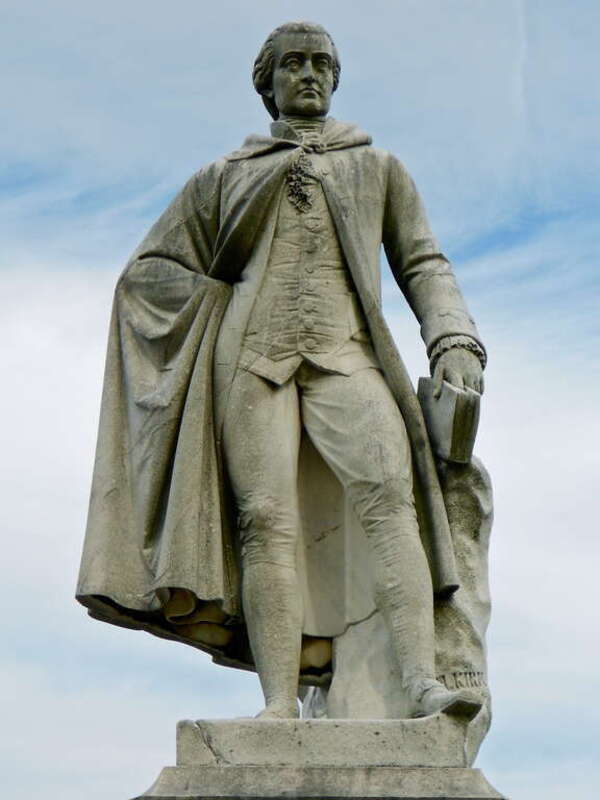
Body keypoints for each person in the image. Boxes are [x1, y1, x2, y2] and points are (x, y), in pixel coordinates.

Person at [77, 21, 486, 721]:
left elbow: (423, 261)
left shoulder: (376, 166)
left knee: (393, 503)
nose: (309, 75)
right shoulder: (224, 177)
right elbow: (148, 271)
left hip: (346, 356)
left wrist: (454, 337)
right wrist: (211, 303)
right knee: (263, 523)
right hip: (251, 362)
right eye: (292, 63)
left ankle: (421, 682)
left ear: (335, 78)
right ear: (266, 83)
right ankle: (277, 705)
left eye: (321, 63)